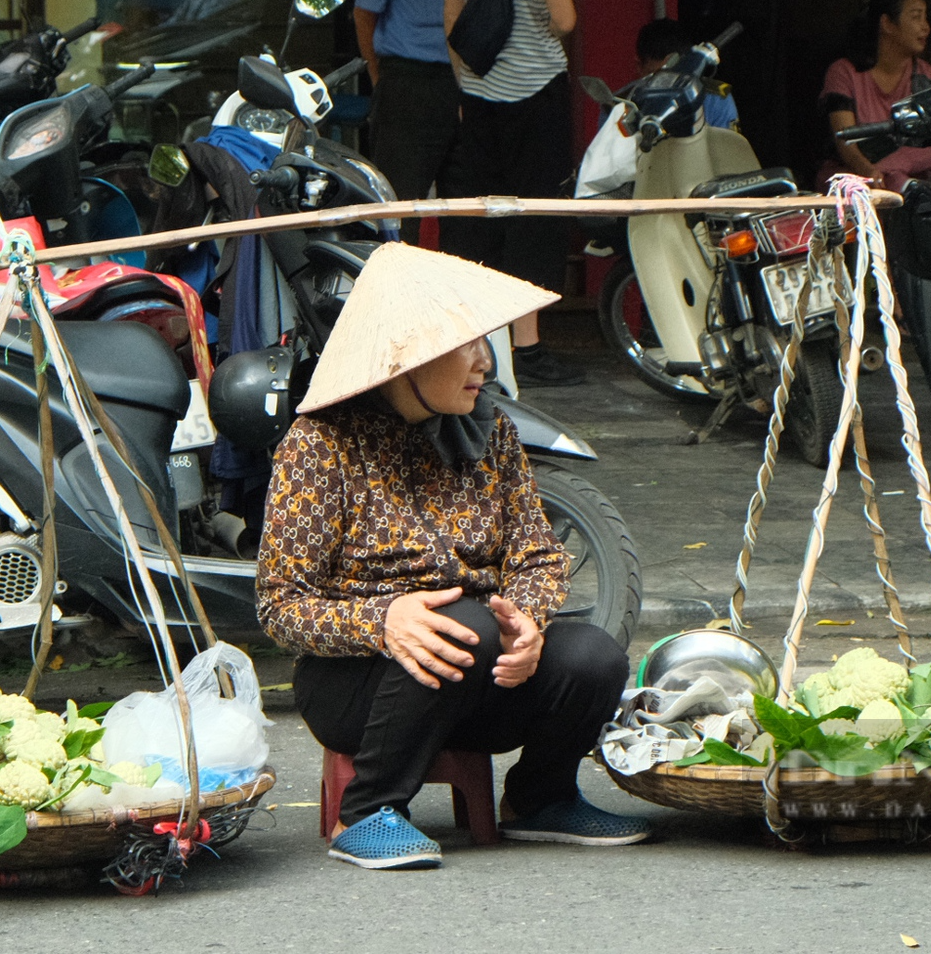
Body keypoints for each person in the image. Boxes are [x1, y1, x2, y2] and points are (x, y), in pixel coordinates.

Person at [259, 242, 647, 871]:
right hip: (360, 684)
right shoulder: (320, 444)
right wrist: (382, 621)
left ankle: (541, 798)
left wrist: (526, 621)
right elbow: (280, 606)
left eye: (482, 341)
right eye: (464, 344)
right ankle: (370, 811)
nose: (484, 361)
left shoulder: (491, 432)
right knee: (459, 624)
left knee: (593, 656)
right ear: (406, 356)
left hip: (481, 679)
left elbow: (538, 558)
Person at [438, 0, 588, 388]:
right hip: (535, 94)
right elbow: (566, 17)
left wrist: (465, 82)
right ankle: (527, 348)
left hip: (478, 94)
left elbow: (452, 21)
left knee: (480, 216)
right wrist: (539, 34)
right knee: (535, 218)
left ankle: (472, 341)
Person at [355, 0, 496, 237]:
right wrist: (378, 74)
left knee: (470, 207)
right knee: (402, 206)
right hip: (411, 84)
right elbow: (365, 13)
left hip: (473, 84)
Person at [821, 0, 931, 191]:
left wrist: (898, 166)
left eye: (925, 18)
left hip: (914, 186)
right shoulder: (844, 73)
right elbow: (844, 139)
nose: (926, 27)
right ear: (887, 24)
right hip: (855, 179)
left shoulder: (930, 79)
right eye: (916, 17)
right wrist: (869, 172)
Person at [625, 18, 740, 130]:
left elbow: (726, 147)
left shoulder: (714, 99)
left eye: (672, 78)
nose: (664, 87)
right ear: (639, 66)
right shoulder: (626, 101)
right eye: (656, 78)